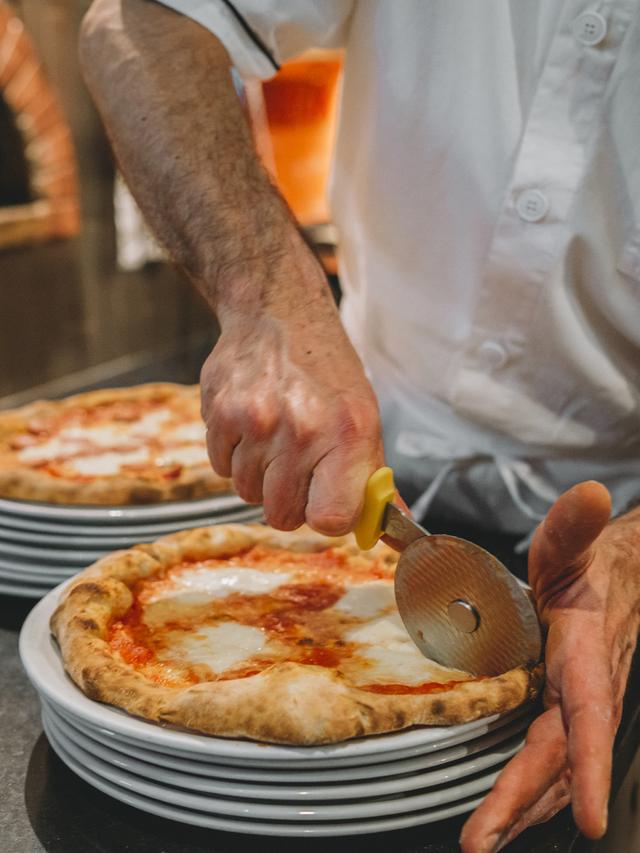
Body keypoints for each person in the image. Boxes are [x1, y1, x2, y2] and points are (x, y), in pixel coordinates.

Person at [79, 2, 640, 850]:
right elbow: (138, 22)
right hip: (356, 484)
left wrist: (631, 559)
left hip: (618, 543)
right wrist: (273, 304)